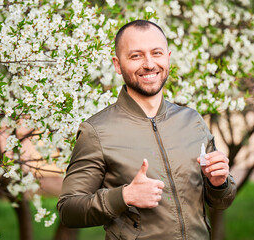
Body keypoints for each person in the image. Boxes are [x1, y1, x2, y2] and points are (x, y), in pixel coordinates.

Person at [57, 20, 236, 240]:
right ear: (117, 64)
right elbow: (68, 210)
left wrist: (219, 183)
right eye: (136, 56)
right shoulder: (96, 131)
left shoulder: (191, 121)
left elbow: (222, 200)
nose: (149, 64)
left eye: (157, 53)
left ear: (168, 57)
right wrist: (124, 196)